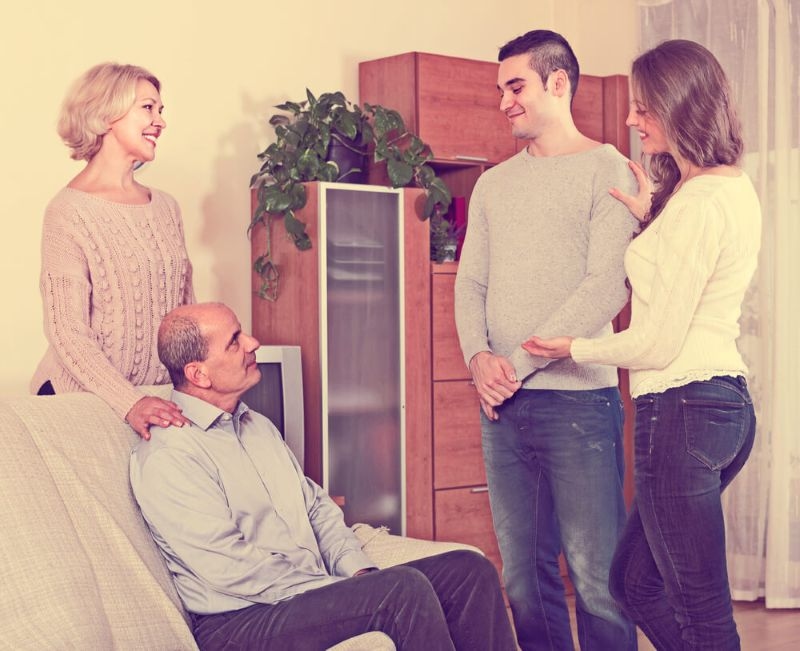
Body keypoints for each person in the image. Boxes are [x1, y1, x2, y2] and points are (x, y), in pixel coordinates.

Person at [523, 39, 761, 650]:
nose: (631, 119)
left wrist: (573, 346)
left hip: (682, 409)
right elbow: (691, 276)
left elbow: (655, 343)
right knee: (634, 582)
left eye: (643, 107)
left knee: (703, 610)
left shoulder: (698, 204)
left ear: (679, 106)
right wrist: (654, 211)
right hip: (720, 407)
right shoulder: (724, 188)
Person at [130, 301, 516, 651]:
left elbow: (315, 508)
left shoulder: (257, 426)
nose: (253, 342)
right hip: (237, 620)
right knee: (402, 591)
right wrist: (337, 588)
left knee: (469, 570)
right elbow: (229, 568)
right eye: (234, 341)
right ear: (199, 374)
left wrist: (358, 571)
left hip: (302, 593)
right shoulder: (170, 455)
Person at [454, 29, 639, 650]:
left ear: (558, 83)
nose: (504, 101)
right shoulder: (492, 185)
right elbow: (469, 282)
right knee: (525, 584)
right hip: (501, 405)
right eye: (500, 89)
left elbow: (606, 287)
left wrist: (514, 363)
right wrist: (478, 361)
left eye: (516, 86)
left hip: (579, 405)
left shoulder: (606, 168)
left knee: (595, 580)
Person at [31, 62, 193, 439]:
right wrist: (129, 402)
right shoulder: (68, 212)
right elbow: (66, 331)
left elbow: (184, 313)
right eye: (147, 108)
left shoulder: (166, 206)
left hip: (155, 399)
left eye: (160, 110)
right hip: (84, 400)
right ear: (105, 116)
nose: (160, 121)